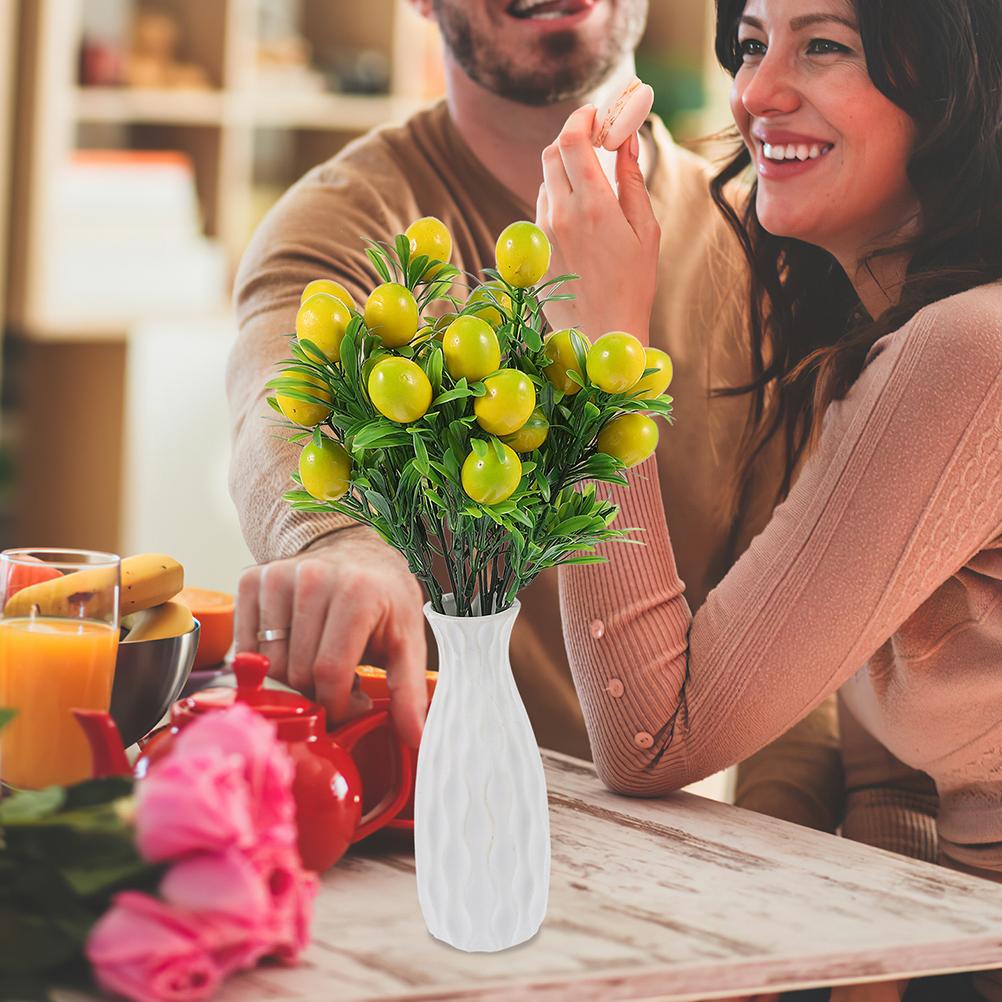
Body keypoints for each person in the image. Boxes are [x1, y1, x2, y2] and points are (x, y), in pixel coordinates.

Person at [226, 0, 843, 832]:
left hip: (664, 865)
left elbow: (802, 670)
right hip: (415, 831)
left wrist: (780, 922)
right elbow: (277, 410)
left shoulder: (772, 243)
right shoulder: (344, 221)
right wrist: (342, 540)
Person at [538, 0, 1002, 998]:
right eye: (751, 45)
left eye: (823, 45)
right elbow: (887, 765)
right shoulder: (886, 338)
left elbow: (650, 739)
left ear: (955, 82)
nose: (756, 93)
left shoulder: (968, 350)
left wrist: (596, 355)